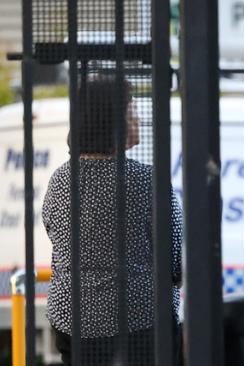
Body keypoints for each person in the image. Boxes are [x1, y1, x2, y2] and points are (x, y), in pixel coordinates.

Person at [42, 76, 183, 365]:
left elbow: (55, 238)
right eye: (131, 112)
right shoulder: (148, 181)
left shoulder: (60, 180)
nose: (139, 119)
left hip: (73, 319)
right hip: (142, 319)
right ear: (112, 122)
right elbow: (174, 257)